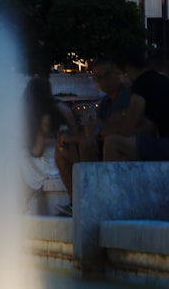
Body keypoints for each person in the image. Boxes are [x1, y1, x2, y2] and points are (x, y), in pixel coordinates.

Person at [54, 56, 132, 212]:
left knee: (86, 144)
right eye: (98, 78)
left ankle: (90, 201)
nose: (103, 81)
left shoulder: (125, 96)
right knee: (62, 149)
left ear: (117, 73)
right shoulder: (105, 102)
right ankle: (75, 202)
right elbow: (96, 130)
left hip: (118, 150)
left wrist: (77, 136)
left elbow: (105, 131)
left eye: (107, 75)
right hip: (102, 148)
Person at [21, 75, 76, 205]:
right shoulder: (63, 108)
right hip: (67, 155)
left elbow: (37, 151)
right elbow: (74, 132)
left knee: (20, 156)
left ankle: (22, 201)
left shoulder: (45, 115)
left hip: (52, 161)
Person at [103, 56, 169, 161]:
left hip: (166, 146)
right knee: (128, 148)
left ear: (127, 68)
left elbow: (127, 129)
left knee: (112, 142)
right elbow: (149, 129)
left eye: (118, 73)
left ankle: (108, 178)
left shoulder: (141, 83)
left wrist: (102, 132)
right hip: (164, 144)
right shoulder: (162, 80)